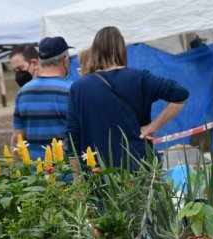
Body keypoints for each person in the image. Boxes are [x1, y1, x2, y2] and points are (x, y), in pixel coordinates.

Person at [66, 26, 189, 167]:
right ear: (121, 49)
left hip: (99, 175)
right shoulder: (140, 78)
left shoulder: (79, 88)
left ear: (95, 51)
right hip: (138, 168)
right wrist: (154, 126)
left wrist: (77, 181)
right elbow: (181, 95)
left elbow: (72, 136)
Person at [12, 37, 73, 160]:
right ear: (65, 61)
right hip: (67, 174)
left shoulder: (22, 93)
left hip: (36, 176)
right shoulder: (72, 90)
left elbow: (17, 138)